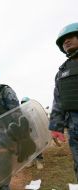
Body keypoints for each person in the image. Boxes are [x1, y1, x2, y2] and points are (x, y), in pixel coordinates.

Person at [49, 22, 78, 181]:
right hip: (74, 128)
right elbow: (58, 102)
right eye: (63, 40)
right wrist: (56, 127)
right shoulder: (62, 72)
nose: (66, 41)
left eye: (70, 37)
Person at [21, 97, 44, 170]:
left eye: (25, 102)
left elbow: (37, 121)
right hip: (26, 133)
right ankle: (30, 161)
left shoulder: (33, 111)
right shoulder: (21, 113)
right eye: (22, 103)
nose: (24, 104)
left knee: (37, 146)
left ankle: (38, 161)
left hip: (34, 131)